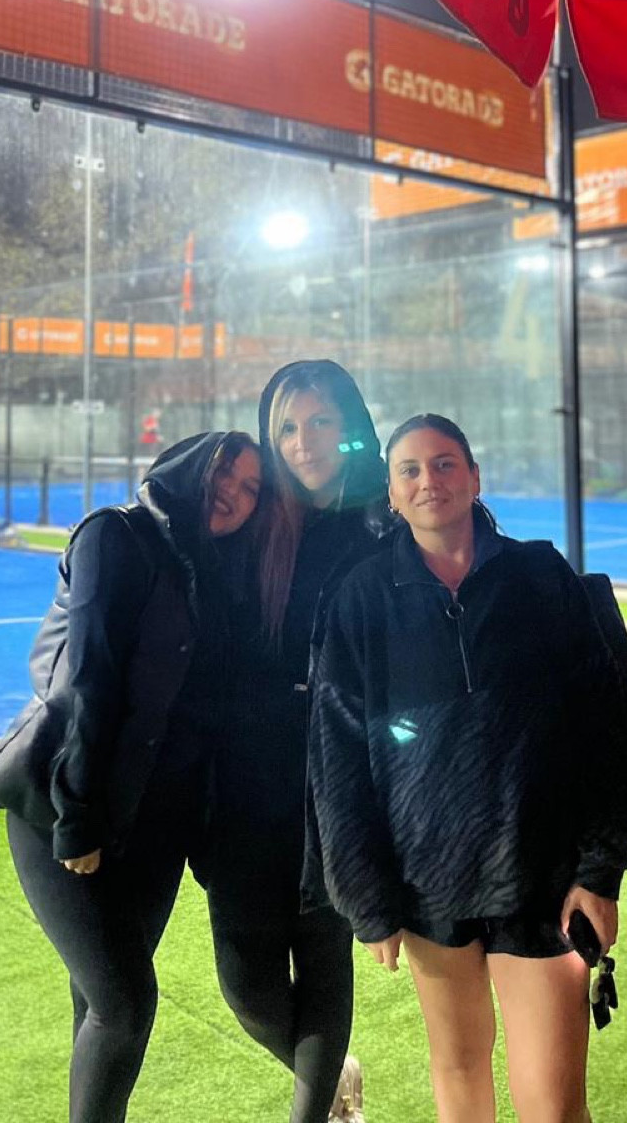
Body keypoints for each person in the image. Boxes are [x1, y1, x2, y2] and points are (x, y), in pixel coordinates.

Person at [308, 414, 627, 1123]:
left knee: (555, 1105)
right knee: (459, 1073)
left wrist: (599, 870)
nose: (429, 481)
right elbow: (340, 758)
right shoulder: (360, 599)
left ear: (475, 477)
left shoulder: (540, 576)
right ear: (391, 493)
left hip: (543, 877)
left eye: (445, 463)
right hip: (427, 883)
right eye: (410, 470)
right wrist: (368, 900)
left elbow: (602, 728)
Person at [0, 431, 262, 1123]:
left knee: (99, 1003)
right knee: (125, 1004)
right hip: (66, 808)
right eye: (226, 472)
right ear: (192, 466)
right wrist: (78, 816)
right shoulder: (117, 535)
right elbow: (88, 679)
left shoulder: (218, 570)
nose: (234, 493)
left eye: (252, 488)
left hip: (156, 825)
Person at [204, 361, 389, 1123]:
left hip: (337, 783)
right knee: (246, 983)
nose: (303, 441)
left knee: (323, 960)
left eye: (320, 422)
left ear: (349, 427)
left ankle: (318, 1113)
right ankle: (333, 1075)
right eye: (286, 427)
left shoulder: (385, 524)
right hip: (245, 784)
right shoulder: (255, 526)